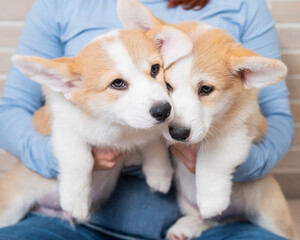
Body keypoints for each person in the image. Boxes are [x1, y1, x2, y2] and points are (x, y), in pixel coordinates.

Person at [0, 0, 294, 239]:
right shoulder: (59, 6)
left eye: (156, 71)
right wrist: (75, 162)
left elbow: (277, 117)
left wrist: (233, 166)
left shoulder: (243, 6)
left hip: (213, 221)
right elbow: (12, 109)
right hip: (78, 219)